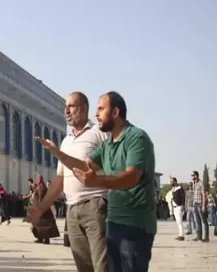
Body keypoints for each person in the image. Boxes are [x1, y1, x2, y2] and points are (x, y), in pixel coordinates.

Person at [37, 91, 156, 272]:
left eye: (101, 108)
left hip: (135, 224)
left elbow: (132, 176)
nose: (96, 113)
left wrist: (97, 181)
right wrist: (57, 153)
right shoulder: (107, 145)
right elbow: (84, 165)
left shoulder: (136, 138)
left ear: (115, 113)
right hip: (114, 222)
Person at [28, 91, 108, 272]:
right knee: (84, 266)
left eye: (71, 106)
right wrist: (41, 208)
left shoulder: (98, 133)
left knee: (102, 265)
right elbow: (60, 179)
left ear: (84, 109)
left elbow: (111, 167)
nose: (66, 111)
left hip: (95, 205)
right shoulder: (66, 141)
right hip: (72, 210)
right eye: (65, 107)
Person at [25, 174, 60, 244]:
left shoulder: (42, 187)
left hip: (43, 209)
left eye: (37, 179)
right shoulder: (39, 186)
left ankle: (45, 239)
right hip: (41, 209)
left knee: (44, 225)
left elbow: (41, 197)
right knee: (38, 225)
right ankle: (40, 238)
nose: (36, 180)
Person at [190, 170, 209, 242]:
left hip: (200, 204)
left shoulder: (201, 183)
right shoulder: (193, 183)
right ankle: (199, 236)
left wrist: (204, 205)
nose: (192, 177)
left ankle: (206, 237)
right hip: (195, 204)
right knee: (197, 221)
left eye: (192, 175)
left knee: (204, 221)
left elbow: (204, 195)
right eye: (191, 175)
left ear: (196, 176)